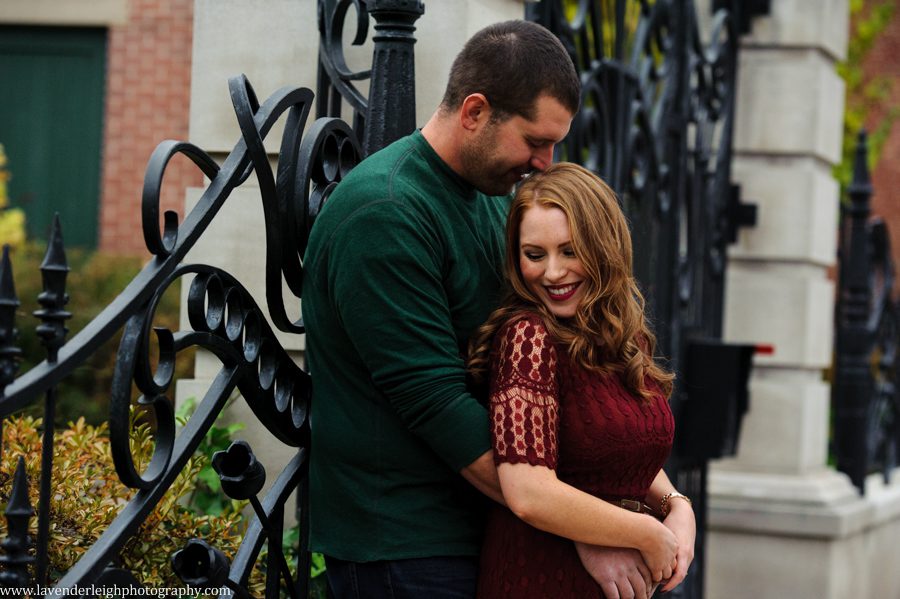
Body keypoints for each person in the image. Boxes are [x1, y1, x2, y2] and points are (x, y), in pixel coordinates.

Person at [302, 19, 661, 599]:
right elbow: (439, 405)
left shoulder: (494, 203)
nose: (545, 163)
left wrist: (654, 500)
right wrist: (588, 531)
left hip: (491, 535)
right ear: (474, 112)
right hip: (408, 550)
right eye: (534, 141)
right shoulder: (386, 212)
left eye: (554, 145)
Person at [467, 162, 696, 598]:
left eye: (569, 251)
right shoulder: (528, 337)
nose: (552, 273)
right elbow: (529, 492)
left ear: (603, 247)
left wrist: (677, 507)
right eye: (535, 255)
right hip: (540, 575)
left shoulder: (620, 338)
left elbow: (619, 451)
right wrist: (644, 534)